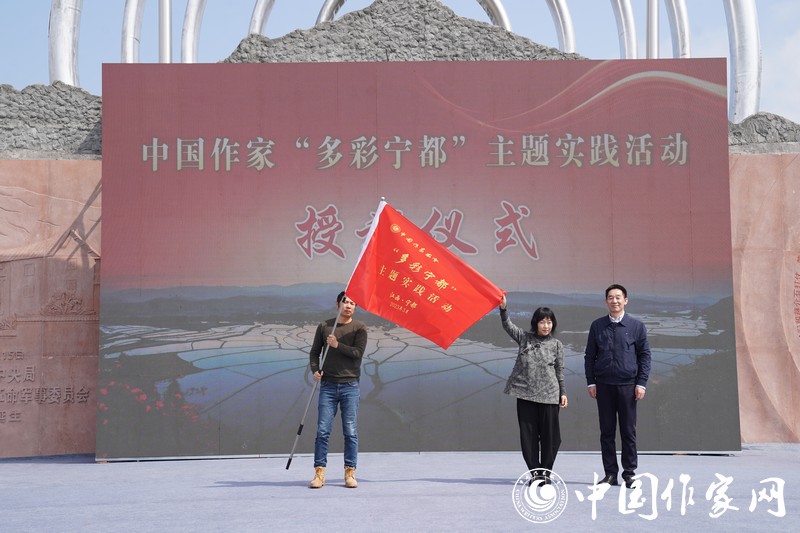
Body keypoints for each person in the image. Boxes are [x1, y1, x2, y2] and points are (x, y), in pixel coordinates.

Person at [584, 284, 651, 488]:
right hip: (603, 385)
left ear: (626, 300)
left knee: (628, 432)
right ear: (606, 301)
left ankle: (629, 474)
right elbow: (590, 356)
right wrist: (591, 381)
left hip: (628, 386)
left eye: (618, 297)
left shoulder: (636, 326)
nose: (615, 301)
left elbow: (645, 356)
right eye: (611, 298)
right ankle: (610, 474)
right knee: (607, 432)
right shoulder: (597, 326)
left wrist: (641, 383)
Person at [499, 295, 568, 482]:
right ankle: (535, 473)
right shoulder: (525, 338)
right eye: (542, 322)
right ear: (535, 323)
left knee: (551, 438)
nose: (546, 326)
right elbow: (508, 326)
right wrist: (503, 309)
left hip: (550, 395)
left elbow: (559, 370)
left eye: (549, 322)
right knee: (529, 438)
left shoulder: (556, 345)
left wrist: (563, 392)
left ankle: (546, 473)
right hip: (526, 394)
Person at [308, 291, 368, 489]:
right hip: (328, 385)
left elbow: (357, 353)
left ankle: (350, 472)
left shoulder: (359, 328)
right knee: (322, 430)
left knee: (350, 431)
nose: (348, 306)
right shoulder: (325, 326)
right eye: (345, 302)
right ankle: (319, 472)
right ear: (337, 305)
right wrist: (315, 370)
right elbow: (314, 353)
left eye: (352, 303)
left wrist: (336, 345)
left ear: (355, 307)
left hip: (350, 385)